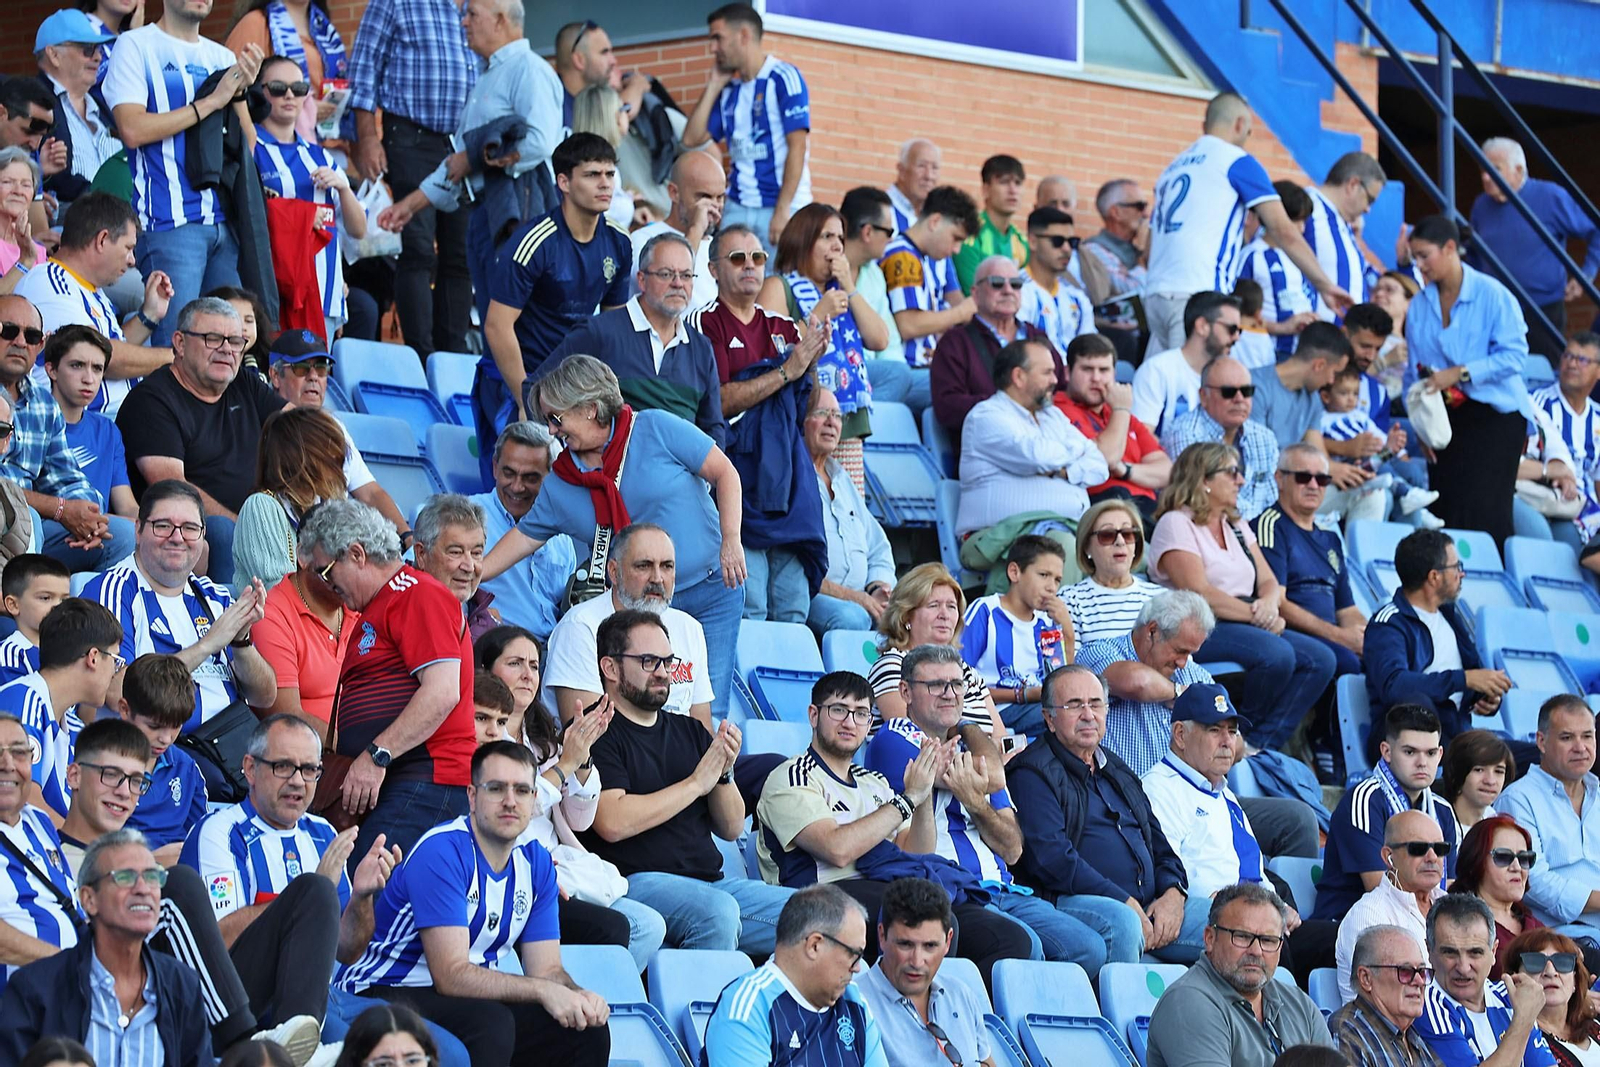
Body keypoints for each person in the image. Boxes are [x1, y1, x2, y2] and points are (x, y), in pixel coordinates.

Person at [480, 355, 746, 719]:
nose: (552, 431)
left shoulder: (654, 428)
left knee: (707, 713)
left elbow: (725, 473)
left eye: (556, 419)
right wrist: (470, 572)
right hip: (634, 606)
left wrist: (731, 538)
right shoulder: (561, 483)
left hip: (712, 592)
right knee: (647, 710)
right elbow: (522, 539)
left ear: (590, 409)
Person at [335, 740, 611, 1067]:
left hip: (460, 997)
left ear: (534, 799)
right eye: (496, 789)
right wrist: (542, 991)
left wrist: (577, 995)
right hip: (381, 988)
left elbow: (547, 970)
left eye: (522, 790)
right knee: (491, 1025)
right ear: (472, 796)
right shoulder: (443, 851)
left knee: (585, 1029)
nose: (510, 801)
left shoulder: (537, 863)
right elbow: (450, 975)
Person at [756, 668, 1033, 983]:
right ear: (814, 715)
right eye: (838, 710)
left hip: (884, 886)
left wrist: (924, 793)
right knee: (924, 924)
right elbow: (837, 849)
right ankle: (905, 1017)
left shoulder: (872, 782)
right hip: (823, 895)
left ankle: (956, 1020)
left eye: (861, 714)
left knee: (1010, 939)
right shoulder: (792, 776)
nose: (850, 722)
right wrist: (906, 799)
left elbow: (915, 851)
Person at [863, 648, 1111, 977]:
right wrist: (985, 765)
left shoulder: (970, 746)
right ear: (906, 692)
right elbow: (980, 774)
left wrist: (969, 735)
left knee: (1089, 948)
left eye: (956, 684)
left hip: (1002, 889)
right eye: (935, 685)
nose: (949, 694)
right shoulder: (894, 735)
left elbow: (1012, 848)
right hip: (950, 890)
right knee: (1027, 946)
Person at [580, 609, 795, 952]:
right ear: (610, 667)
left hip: (711, 882)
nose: (664, 673)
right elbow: (612, 822)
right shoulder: (594, 729)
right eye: (649, 661)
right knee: (718, 913)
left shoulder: (690, 729)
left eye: (668, 661)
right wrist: (696, 782)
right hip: (632, 882)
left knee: (820, 914)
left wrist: (722, 771)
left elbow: (730, 827)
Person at [180, 714, 401, 1045]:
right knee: (312, 890)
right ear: (250, 768)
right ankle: (297, 1036)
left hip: (328, 994)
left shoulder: (323, 832)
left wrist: (361, 899)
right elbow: (217, 942)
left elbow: (346, 950)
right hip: (247, 1000)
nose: (298, 781)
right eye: (283, 766)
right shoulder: (221, 831)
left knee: (448, 1053)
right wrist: (307, 895)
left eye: (309, 769)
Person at [473, 626, 667, 973]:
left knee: (650, 925)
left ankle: (587, 1001)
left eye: (534, 665)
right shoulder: (480, 735)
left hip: (563, 863)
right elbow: (514, 804)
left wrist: (583, 760)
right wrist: (566, 764)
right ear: (486, 671)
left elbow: (579, 820)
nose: (527, 675)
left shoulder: (541, 737)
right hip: (518, 869)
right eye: (515, 663)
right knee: (630, 927)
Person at [297, 499, 476, 861]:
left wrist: (376, 756)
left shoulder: (416, 593)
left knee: (371, 894)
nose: (326, 585)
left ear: (358, 555)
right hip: (402, 781)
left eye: (326, 571)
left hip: (424, 780)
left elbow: (442, 692)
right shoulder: (387, 601)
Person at [371, 0, 562, 330]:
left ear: (500, 20)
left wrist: (475, 158)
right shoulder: (489, 75)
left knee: (518, 327)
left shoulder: (529, 69)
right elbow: (458, 160)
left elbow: (539, 142)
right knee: (495, 328)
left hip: (517, 214)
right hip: (484, 214)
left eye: (472, 15)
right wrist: (410, 205)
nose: (463, 23)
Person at [1008, 664, 1208, 965]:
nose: (1088, 715)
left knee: (1234, 921)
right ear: (1049, 718)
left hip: (1149, 904)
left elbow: (1158, 842)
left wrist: (1173, 893)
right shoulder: (1032, 771)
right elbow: (1052, 859)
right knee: (1124, 924)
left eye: (1096, 704)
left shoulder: (1115, 766)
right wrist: (1123, 900)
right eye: (1074, 705)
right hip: (1073, 901)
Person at [1147, 440, 1337, 753]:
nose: (1241, 480)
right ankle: (1233, 733)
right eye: (1232, 472)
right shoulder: (1175, 522)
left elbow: (1268, 580)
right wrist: (1258, 615)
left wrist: (1267, 604)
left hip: (1244, 619)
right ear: (1204, 480)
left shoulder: (1234, 523)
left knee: (1321, 659)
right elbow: (1199, 593)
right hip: (1198, 625)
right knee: (1277, 655)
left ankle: (1261, 745)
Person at [1143, 92, 1350, 354]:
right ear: (1240, 124)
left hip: (1156, 293)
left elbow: (1148, 249)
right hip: (1198, 294)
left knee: (1158, 386)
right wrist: (1324, 285)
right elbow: (1283, 229)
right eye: (1250, 132)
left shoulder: (1171, 169)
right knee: (1196, 387)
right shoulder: (1236, 160)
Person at [103, 0, 260, 345]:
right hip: (169, 223)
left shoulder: (221, 57)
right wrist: (209, 103)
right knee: (177, 350)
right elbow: (131, 128)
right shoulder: (134, 44)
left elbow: (248, 141)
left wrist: (242, 91)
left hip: (224, 224)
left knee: (226, 346)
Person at [478, 134, 632, 472]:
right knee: (519, 478)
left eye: (609, 174)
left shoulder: (619, 241)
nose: (605, 184)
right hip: (516, 375)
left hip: (572, 384)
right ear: (563, 181)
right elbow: (496, 325)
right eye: (592, 175)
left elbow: (614, 327)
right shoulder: (535, 240)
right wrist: (525, 398)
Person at [0, 829, 214, 1067]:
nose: (143, 889)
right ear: (89, 899)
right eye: (125, 877)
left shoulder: (182, 985)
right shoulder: (35, 989)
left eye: (152, 877)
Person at [116, 297, 289, 583]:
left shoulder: (244, 383)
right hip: (195, 533)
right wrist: (250, 529)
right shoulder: (151, 400)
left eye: (235, 341)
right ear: (180, 343)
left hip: (257, 528)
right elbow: (173, 489)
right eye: (213, 339)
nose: (227, 350)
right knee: (221, 531)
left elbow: (305, 431)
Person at [84, 479, 277, 732]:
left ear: (203, 536)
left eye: (189, 528)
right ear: (138, 530)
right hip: (166, 750)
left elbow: (264, 697)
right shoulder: (114, 589)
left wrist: (241, 642)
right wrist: (207, 645)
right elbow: (113, 691)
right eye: (163, 526)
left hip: (232, 746)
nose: (177, 538)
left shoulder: (215, 597)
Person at [345, 0, 475, 358]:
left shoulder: (471, 6)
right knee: (418, 250)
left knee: (460, 255)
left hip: (463, 146)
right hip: (411, 139)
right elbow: (364, 68)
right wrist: (368, 136)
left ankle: (452, 356)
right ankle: (420, 355)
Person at [1405, 215, 1534, 545]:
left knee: (1486, 511)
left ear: (1450, 248)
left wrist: (1461, 372)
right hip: (1445, 417)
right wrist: (1421, 426)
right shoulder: (1419, 305)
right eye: (1414, 257)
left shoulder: (1494, 294)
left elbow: (1514, 356)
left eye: (1424, 255)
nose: (1418, 265)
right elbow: (1413, 371)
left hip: (1496, 416)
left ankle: (1494, 585)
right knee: (1444, 506)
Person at [541, 231, 728, 448]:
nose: (678, 283)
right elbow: (540, 385)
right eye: (666, 274)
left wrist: (707, 479)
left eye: (686, 275)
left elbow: (713, 426)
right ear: (641, 280)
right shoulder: (599, 332)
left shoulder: (701, 347)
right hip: (610, 476)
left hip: (682, 474)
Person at [0, 295, 131, 573]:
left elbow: (66, 476)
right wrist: (61, 510)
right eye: (8, 331)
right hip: (14, 519)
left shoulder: (44, 404)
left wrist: (87, 515)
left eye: (32, 335)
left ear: (40, 346)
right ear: (52, 369)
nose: (21, 342)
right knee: (29, 519)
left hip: (32, 528)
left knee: (120, 535)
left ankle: (83, 616)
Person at [13, 192, 172, 419]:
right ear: (102, 240)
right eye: (128, 248)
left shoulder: (88, 288)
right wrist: (178, 357)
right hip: (84, 428)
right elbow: (102, 357)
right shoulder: (49, 284)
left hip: (112, 423)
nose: (132, 260)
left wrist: (150, 315)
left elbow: (110, 346)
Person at [542, 523, 713, 732]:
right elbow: (588, 737)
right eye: (644, 566)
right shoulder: (580, 627)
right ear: (614, 572)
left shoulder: (690, 629)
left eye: (667, 566)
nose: (657, 578)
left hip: (681, 758)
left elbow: (703, 731)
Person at [759, 205, 887, 477]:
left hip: (845, 420)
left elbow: (879, 339)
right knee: (808, 506)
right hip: (800, 419)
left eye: (840, 238)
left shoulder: (843, 292)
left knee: (845, 511)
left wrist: (849, 287)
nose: (837, 246)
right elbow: (769, 348)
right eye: (827, 237)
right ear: (803, 240)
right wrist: (818, 313)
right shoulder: (778, 286)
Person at [1146, 882, 1335, 1066]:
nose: (1256, 951)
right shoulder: (1187, 1002)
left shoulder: (1299, 1003)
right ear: (1210, 938)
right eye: (1242, 936)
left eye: (1268, 940)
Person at [702, 884, 887, 1067]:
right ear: (815, 945)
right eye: (853, 955)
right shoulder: (749, 1008)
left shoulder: (855, 1003)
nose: (857, 968)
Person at [249, 55, 365, 340]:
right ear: (260, 92)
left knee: (313, 382)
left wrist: (343, 188)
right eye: (277, 87)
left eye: (298, 88)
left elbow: (359, 229)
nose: (289, 95)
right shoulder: (252, 147)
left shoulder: (319, 155)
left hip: (323, 292)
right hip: (273, 290)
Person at [1315, 704, 1462, 923]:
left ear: (1440, 754)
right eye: (1410, 752)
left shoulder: (1443, 810)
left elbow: (1448, 886)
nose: (1422, 762)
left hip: (1420, 927)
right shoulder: (1364, 800)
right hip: (1349, 926)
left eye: (1430, 753)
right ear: (1386, 751)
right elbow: (1378, 888)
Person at [682, 3, 811, 252]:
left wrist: (783, 209)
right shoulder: (729, 90)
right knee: (728, 282)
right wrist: (714, 85)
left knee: (777, 285)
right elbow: (691, 138)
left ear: (743, 35)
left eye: (718, 38)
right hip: (738, 206)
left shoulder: (783, 77)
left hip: (781, 206)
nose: (713, 48)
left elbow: (798, 146)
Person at [1364, 529, 1513, 745]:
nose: (1461, 574)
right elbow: (1394, 686)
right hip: (1408, 746)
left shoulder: (1450, 616)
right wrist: (1464, 679)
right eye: (1456, 567)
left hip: (1459, 741)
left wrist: (1484, 696)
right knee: (1416, 702)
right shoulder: (1388, 623)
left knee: (1541, 758)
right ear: (1434, 576)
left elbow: (1467, 679)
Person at [261, 331, 409, 543]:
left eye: (321, 368)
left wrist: (407, 536)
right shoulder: (265, 423)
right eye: (301, 368)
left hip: (334, 539)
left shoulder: (333, 427)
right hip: (281, 536)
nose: (313, 377)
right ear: (275, 376)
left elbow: (370, 493)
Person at [956, 337, 1108, 535]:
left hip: (1064, 530)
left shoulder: (1052, 415)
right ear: (1019, 377)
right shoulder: (986, 416)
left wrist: (1063, 472)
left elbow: (1099, 466)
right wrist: (1078, 449)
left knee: (1136, 553)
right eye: (1047, 372)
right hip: (1002, 535)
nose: (1055, 380)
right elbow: (1037, 456)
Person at [1469, 137, 1600, 366]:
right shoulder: (1481, 205)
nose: (1484, 177)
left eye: (1493, 169)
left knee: (1544, 375)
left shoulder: (1549, 196)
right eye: (1482, 170)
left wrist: (1586, 275)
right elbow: (1473, 255)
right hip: (1495, 311)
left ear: (1518, 170)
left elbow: (1595, 231)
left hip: (1542, 309)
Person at [1141, 683, 1272, 901]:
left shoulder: (1223, 791)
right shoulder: (1157, 788)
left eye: (1232, 732)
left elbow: (1254, 868)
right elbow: (1166, 871)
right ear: (1180, 735)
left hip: (1253, 912)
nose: (1227, 742)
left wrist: (1279, 905)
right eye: (1214, 730)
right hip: (1211, 918)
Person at [0, 597, 124, 819]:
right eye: (116, 660)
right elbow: (24, 798)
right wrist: (84, 848)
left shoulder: (72, 725)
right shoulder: (24, 699)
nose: (115, 672)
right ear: (93, 658)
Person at [1073, 588, 1218, 777]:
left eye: (1190, 654)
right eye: (1180, 651)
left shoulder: (1197, 676)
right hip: (1122, 798)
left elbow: (1235, 746)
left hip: (1189, 799)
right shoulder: (1099, 652)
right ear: (1152, 631)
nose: (1183, 663)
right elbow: (1136, 681)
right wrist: (1180, 694)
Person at [1253, 443, 1367, 683]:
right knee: (1345, 662)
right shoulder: (1270, 526)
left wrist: (1369, 637)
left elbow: (1347, 609)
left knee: (1387, 657)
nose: (1314, 485)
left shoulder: (1331, 539)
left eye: (1323, 479)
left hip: (1331, 637)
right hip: (1293, 634)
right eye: (1303, 477)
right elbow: (1278, 603)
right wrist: (1341, 636)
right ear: (1279, 479)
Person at [855, 876, 995, 1067]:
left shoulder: (961, 994)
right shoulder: (855, 1006)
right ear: (882, 936)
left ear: (948, 941)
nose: (917, 961)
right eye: (905, 944)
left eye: (930, 946)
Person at [1413, 893, 1555, 1066]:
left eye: (1475, 953)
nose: (1463, 967)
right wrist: (1523, 1019)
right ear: (1429, 951)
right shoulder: (1425, 1005)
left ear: (1494, 952)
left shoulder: (1510, 996)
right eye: (1450, 952)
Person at [1497, 694, 1600, 933]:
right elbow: (1533, 880)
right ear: (1541, 742)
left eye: (1587, 736)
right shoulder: (1518, 800)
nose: (1580, 747)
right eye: (1567, 737)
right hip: (1557, 935)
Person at [866, 563, 1004, 738]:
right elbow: (915, 741)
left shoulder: (967, 671)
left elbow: (1002, 739)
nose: (944, 615)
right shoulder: (892, 665)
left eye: (951, 607)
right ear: (906, 615)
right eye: (934, 605)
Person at [931, 255, 1062, 439]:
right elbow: (948, 408)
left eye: (1016, 283)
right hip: (988, 446)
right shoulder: (954, 343)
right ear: (975, 294)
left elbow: (1062, 389)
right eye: (997, 283)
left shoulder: (1038, 337)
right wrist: (1012, 405)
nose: (1008, 290)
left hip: (1045, 440)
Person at [468, 421, 576, 639]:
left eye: (530, 478)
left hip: (553, 652)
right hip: (495, 652)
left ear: (552, 477)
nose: (517, 487)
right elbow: (422, 572)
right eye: (509, 473)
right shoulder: (464, 517)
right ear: (495, 467)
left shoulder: (563, 535)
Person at [959, 536, 1074, 738]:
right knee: (1067, 718)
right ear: (1014, 572)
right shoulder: (985, 611)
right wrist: (1021, 695)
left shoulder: (1047, 622)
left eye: (1057, 580)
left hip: (1037, 706)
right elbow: (957, 681)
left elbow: (1063, 679)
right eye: (1044, 575)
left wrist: (1068, 633)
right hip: (996, 710)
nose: (1051, 587)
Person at [805, 387, 896, 634]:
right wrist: (858, 599)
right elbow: (798, 570)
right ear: (801, 421)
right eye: (822, 412)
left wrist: (876, 587)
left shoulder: (842, 479)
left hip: (859, 598)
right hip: (814, 596)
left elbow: (878, 547)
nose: (831, 422)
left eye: (837, 415)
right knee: (852, 618)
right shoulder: (794, 478)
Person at [1336, 810, 1451, 1003]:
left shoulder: (1450, 906)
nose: (1432, 857)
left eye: (1439, 849)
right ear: (1388, 856)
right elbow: (1387, 998)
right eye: (1418, 848)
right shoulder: (1369, 914)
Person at [231, 406, 349, 591]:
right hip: (278, 619)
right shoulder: (261, 507)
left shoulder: (329, 508)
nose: (337, 460)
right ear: (301, 457)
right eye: (328, 451)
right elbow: (280, 591)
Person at [1056, 333, 1171, 523]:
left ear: (1114, 374)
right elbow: (1105, 458)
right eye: (1087, 369)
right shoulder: (1059, 410)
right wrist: (1120, 409)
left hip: (1147, 509)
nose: (1096, 378)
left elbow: (1166, 471)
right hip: (1104, 510)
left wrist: (1123, 469)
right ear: (1068, 373)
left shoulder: (1119, 412)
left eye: (1104, 370)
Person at [252, 542, 356, 742]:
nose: (349, 571)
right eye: (338, 555)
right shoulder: (273, 614)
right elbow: (285, 719)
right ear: (304, 557)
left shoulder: (360, 604)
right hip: (314, 759)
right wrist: (367, 752)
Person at [1452, 815, 1576, 981]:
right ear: (1476, 860)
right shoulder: (1459, 923)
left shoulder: (1533, 924)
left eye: (1525, 859)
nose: (1517, 867)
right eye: (1503, 857)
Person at [1160, 355, 1282, 520]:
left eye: (1246, 391)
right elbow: (1201, 501)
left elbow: (1273, 496)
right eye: (1228, 392)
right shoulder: (1185, 434)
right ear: (1204, 396)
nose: (1239, 399)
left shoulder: (1264, 437)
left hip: (1258, 533)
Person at [42, 329, 137, 529]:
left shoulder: (107, 431)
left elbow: (126, 506)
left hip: (101, 531)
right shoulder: (32, 420)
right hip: (51, 528)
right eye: (77, 366)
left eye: (97, 368)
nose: (89, 378)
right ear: (51, 370)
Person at [881, 185, 979, 373]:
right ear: (935, 221)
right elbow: (908, 324)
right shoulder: (903, 257)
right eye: (956, 238)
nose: (957, 250)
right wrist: (960, 313)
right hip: (910, 370)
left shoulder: (918, 257)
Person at [116, 655, 208, 855]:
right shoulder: (101, 765)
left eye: (175, 727)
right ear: (124, 710)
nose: (166, 739)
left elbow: (200, 835)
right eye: (154, 726)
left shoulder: (187, 768)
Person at [224, 0, 350, 142]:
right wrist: (305, 107)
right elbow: (231, 89)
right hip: (272, 147)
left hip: (329, 144)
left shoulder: (325, 30)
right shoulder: (256, 23)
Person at [33, 10, 119, 208]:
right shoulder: (32, 103)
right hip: (69, 225)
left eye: (98, 49)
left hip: (119, 222)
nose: (98, 57)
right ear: (54, 55)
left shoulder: (105, 106)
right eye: (88, 49)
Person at [1132, 290, 1242, 441]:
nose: (1237, 337)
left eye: (1239, 331)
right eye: (1231, 329)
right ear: (1202, 326)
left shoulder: (1233, 376)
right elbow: (1141, 437)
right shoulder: (1156, 371)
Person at [1332, 925, 1445, 1067]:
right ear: (1366, 978)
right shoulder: (1346, 1035)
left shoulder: (1413, 1037)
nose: (1419, 981)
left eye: (1422, 972)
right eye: (1405, 971)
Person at [1527, 332, 1600, 550]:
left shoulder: (1598, 417)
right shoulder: (1537, 404)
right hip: (1557, 508)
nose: (1572, 364)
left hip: (1591, 511)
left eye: (1582, 360)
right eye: (1568, 356)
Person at [630, 150, 726, 314]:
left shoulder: (721, 246)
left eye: (720, 197)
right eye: (705, 197)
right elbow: (666, 286)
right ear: (674, 193)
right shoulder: (643, 239)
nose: (714, 206)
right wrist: (696, 229)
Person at [1060, 499, 1162, 643]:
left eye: (1128, 534)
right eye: (1107, 535)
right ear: (1086, 546)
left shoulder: (1162, 598)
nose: (1120, 541)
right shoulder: (1069, 601)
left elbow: (1181, 662)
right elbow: (1068, 663)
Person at [1238, 181, 1319, 359]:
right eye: (1295, 220)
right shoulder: (1252, 256)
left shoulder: (1301, 257)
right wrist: (1282, 328)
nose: (1301, 228)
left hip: (1301, 353)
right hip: (1266, 353)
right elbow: (1237, 314)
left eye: (1304, 221)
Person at [1303, 153, 1388, 315]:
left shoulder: (1344, 224)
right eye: (1369, 200)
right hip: (1312, 335)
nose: (1367, 209)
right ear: (1353, 185)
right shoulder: (1307, 207)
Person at [1502, 929, 1600, 1067]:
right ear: (1514, 978)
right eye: (1535, 962)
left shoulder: (1594, 1025)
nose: (1550, 972)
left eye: (1563, 962)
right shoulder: (1513, 1040)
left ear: (1575, 981)